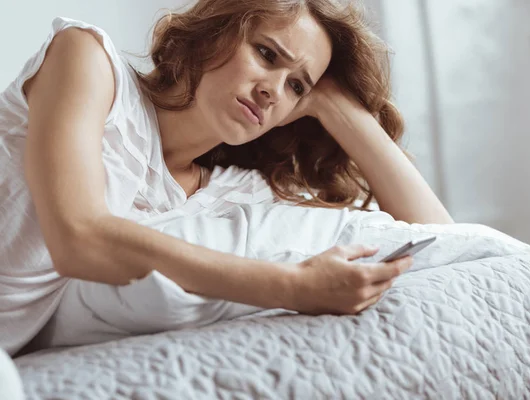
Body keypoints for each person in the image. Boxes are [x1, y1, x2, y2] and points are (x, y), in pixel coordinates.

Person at [0, 0, 453, 356]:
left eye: (296, 86)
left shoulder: (231, 191)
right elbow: (78, 238)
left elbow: (441, 235)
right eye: (266, 54)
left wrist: (333, 103)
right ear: (216, 31)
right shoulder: (88, 60)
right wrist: (294, 287)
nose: (272, 90)